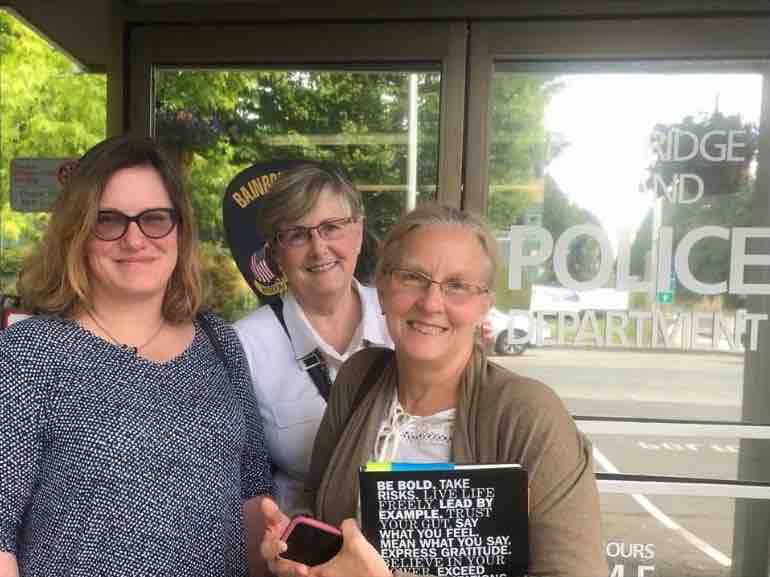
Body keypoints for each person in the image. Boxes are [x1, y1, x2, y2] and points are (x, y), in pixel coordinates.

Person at [260, 203, 608, 577]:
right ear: (383, 285)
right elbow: (320, 506)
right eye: (412, 277)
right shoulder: (357, 378)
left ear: (484, 304)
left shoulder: (529, 414)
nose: (430, 303)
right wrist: (294, 551)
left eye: (457, 286)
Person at [0, 135, 273, 577]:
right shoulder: (29, 354)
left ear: (180, 231)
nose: (134, 239)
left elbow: (252, 491)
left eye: (155, 219)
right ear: (78, 234)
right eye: (108, 221)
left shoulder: (219, 342)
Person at [235, 162, 392, 514]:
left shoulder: (402, 318)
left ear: (358, 231)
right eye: (297, 235)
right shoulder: (245, 345)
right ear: (276, 252)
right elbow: (244, 477)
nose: (318, 248)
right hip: (305, 555)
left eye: (331, 228)